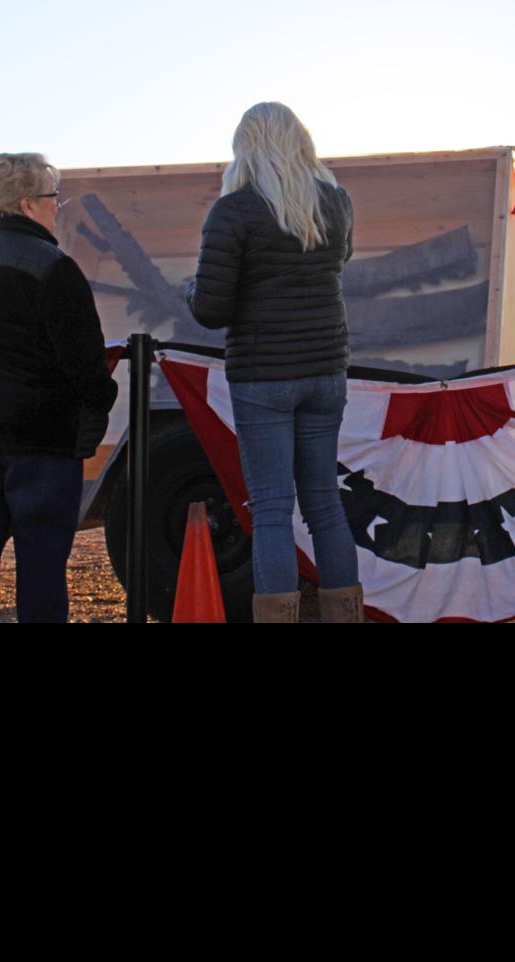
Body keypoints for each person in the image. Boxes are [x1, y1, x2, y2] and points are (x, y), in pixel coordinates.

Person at [186, 101, 364, 623]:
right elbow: (340, 261)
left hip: (263, 375)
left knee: (270, 510)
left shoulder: (235, 210)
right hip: (326, 370)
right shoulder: (337, 203)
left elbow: (211, 309)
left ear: (245, 149)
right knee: (325, 504)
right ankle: (346, 616)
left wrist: (190, 288)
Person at [0, 152, 118, 623]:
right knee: (41, 562)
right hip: (41, 438)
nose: (59, 207)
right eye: (55, 197)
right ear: (30, 204)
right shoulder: (54, 267)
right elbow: (84, 360)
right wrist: (98, 408)